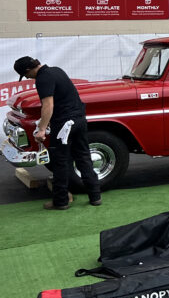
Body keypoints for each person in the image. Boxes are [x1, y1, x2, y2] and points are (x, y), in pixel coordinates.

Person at [13, 56, 102, 210]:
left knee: (60, 161)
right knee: (83, 157)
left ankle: (61, 201)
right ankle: (95, 196)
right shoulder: (57, 71)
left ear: (28, 69)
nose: (27, 78)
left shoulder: (42, 79)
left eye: (26, 75)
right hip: (79, 120)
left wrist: (42, 129)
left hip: (64, 125)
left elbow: (48, 105)